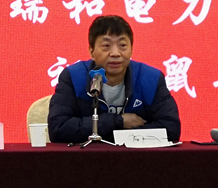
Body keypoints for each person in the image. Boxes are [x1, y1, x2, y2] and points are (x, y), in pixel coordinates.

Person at [48, 15, 181, 144]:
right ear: (91, 51)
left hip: (136, 157)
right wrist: (118, 121)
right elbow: (58, 128)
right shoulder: (74, 77)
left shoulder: (151, 78)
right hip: (87, 157)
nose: (115, 53)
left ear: (131, 50)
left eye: (122, 45)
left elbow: (171, 128)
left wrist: (112, 135)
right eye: (106, 46)